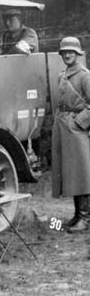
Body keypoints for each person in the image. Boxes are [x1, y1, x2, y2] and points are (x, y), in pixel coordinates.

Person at [51, 36, 90, 232]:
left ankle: (85, 217)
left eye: (71, 52)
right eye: (64, 52)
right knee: (71, 173)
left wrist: (79, 122)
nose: (67, 54)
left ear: (78, 54)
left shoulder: (84, 76)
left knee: (82, 173)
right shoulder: (62, 75)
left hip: (77, 129)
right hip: (63, 127)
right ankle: (77, 215)